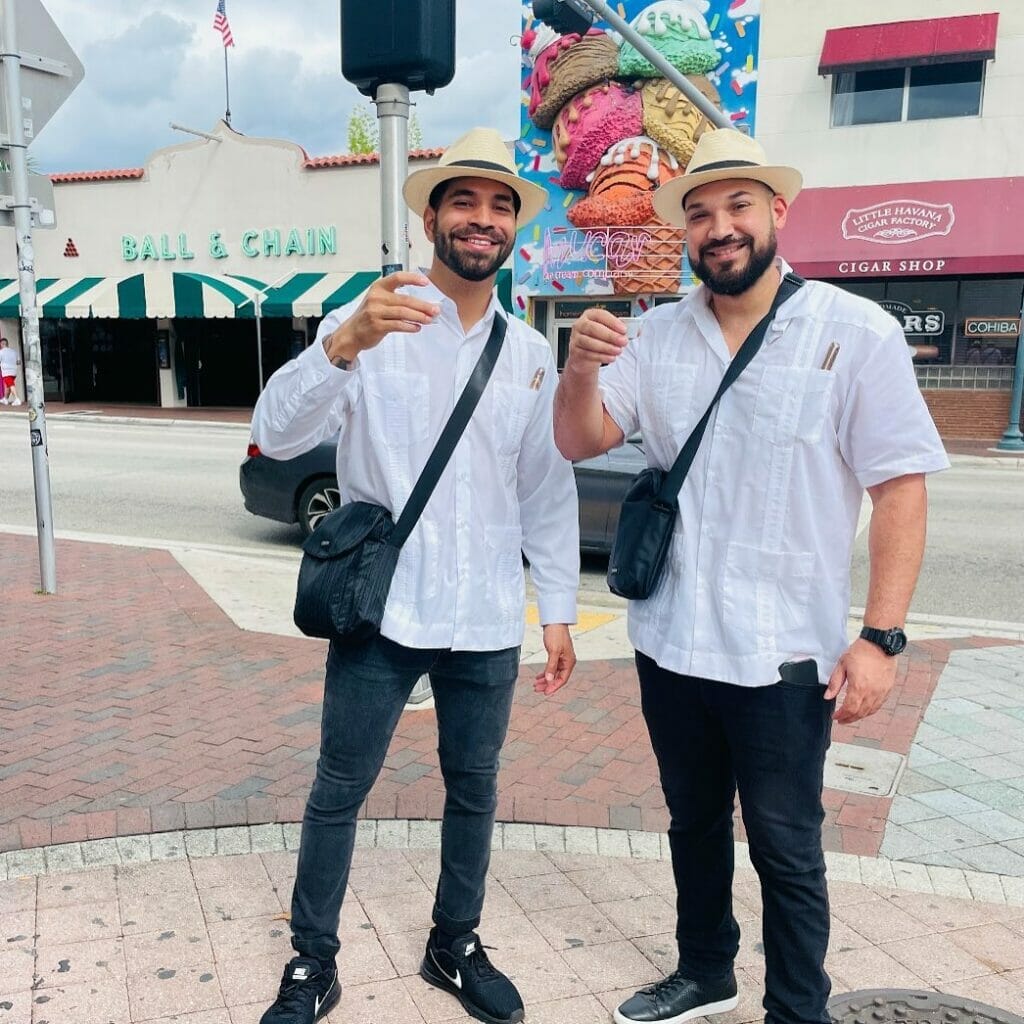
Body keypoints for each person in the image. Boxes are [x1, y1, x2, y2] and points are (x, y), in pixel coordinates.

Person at [553, 130, 949, 1024]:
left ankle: (796, 1010)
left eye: (737, 208)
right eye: (698, 214)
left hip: (784, 657)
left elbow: (900, 490)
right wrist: (578, 367)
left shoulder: (855, 332)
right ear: (684, 234)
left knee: (785, 847)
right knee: (692, 824)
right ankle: (706, 970)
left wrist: (881, 637)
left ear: (777, 212)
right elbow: (579, 441)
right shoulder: (653, 339)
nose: (718, 228)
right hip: (672, 639)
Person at [252, 127, 580, 1024]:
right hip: (379, 612)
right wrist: (342, 344)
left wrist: (558, 611)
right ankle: (313, 961)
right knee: (338, 788)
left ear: (512, 227)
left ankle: (454, 944)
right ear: (431, 216)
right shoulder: (371, 320)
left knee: (475, 785)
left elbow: (545, 491)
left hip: (482, 615)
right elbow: (276, 435)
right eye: (464, 201)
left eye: (500, 204)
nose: (482, 219)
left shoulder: (529, 354)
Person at [0, 337, 21, 405]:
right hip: (14, 371)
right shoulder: (13, 351)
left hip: (6, 372)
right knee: (8, 385)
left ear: (2, 344)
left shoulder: (1, 352)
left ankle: (17, 399)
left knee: (11, 385)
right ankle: (5, 399)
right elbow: (18, 362)